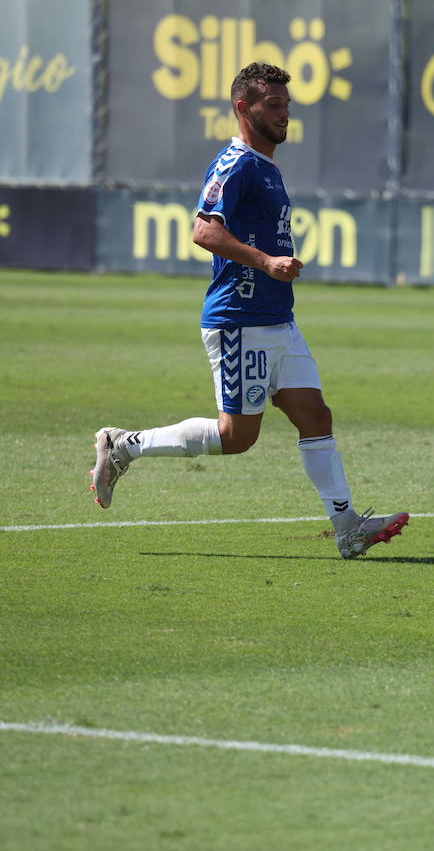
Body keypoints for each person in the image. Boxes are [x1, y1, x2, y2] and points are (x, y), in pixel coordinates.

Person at [88, 62, 409, 559]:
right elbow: (203, 230)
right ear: (244, 108)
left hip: (278, 319)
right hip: (240, 320)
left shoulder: (267, 165)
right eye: (274, 105)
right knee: (236, 437)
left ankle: (348, 527)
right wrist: (266, 261)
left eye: (287, 105)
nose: (285, 114)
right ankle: (123, 445)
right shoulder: (234, 164)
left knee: (315, 415)